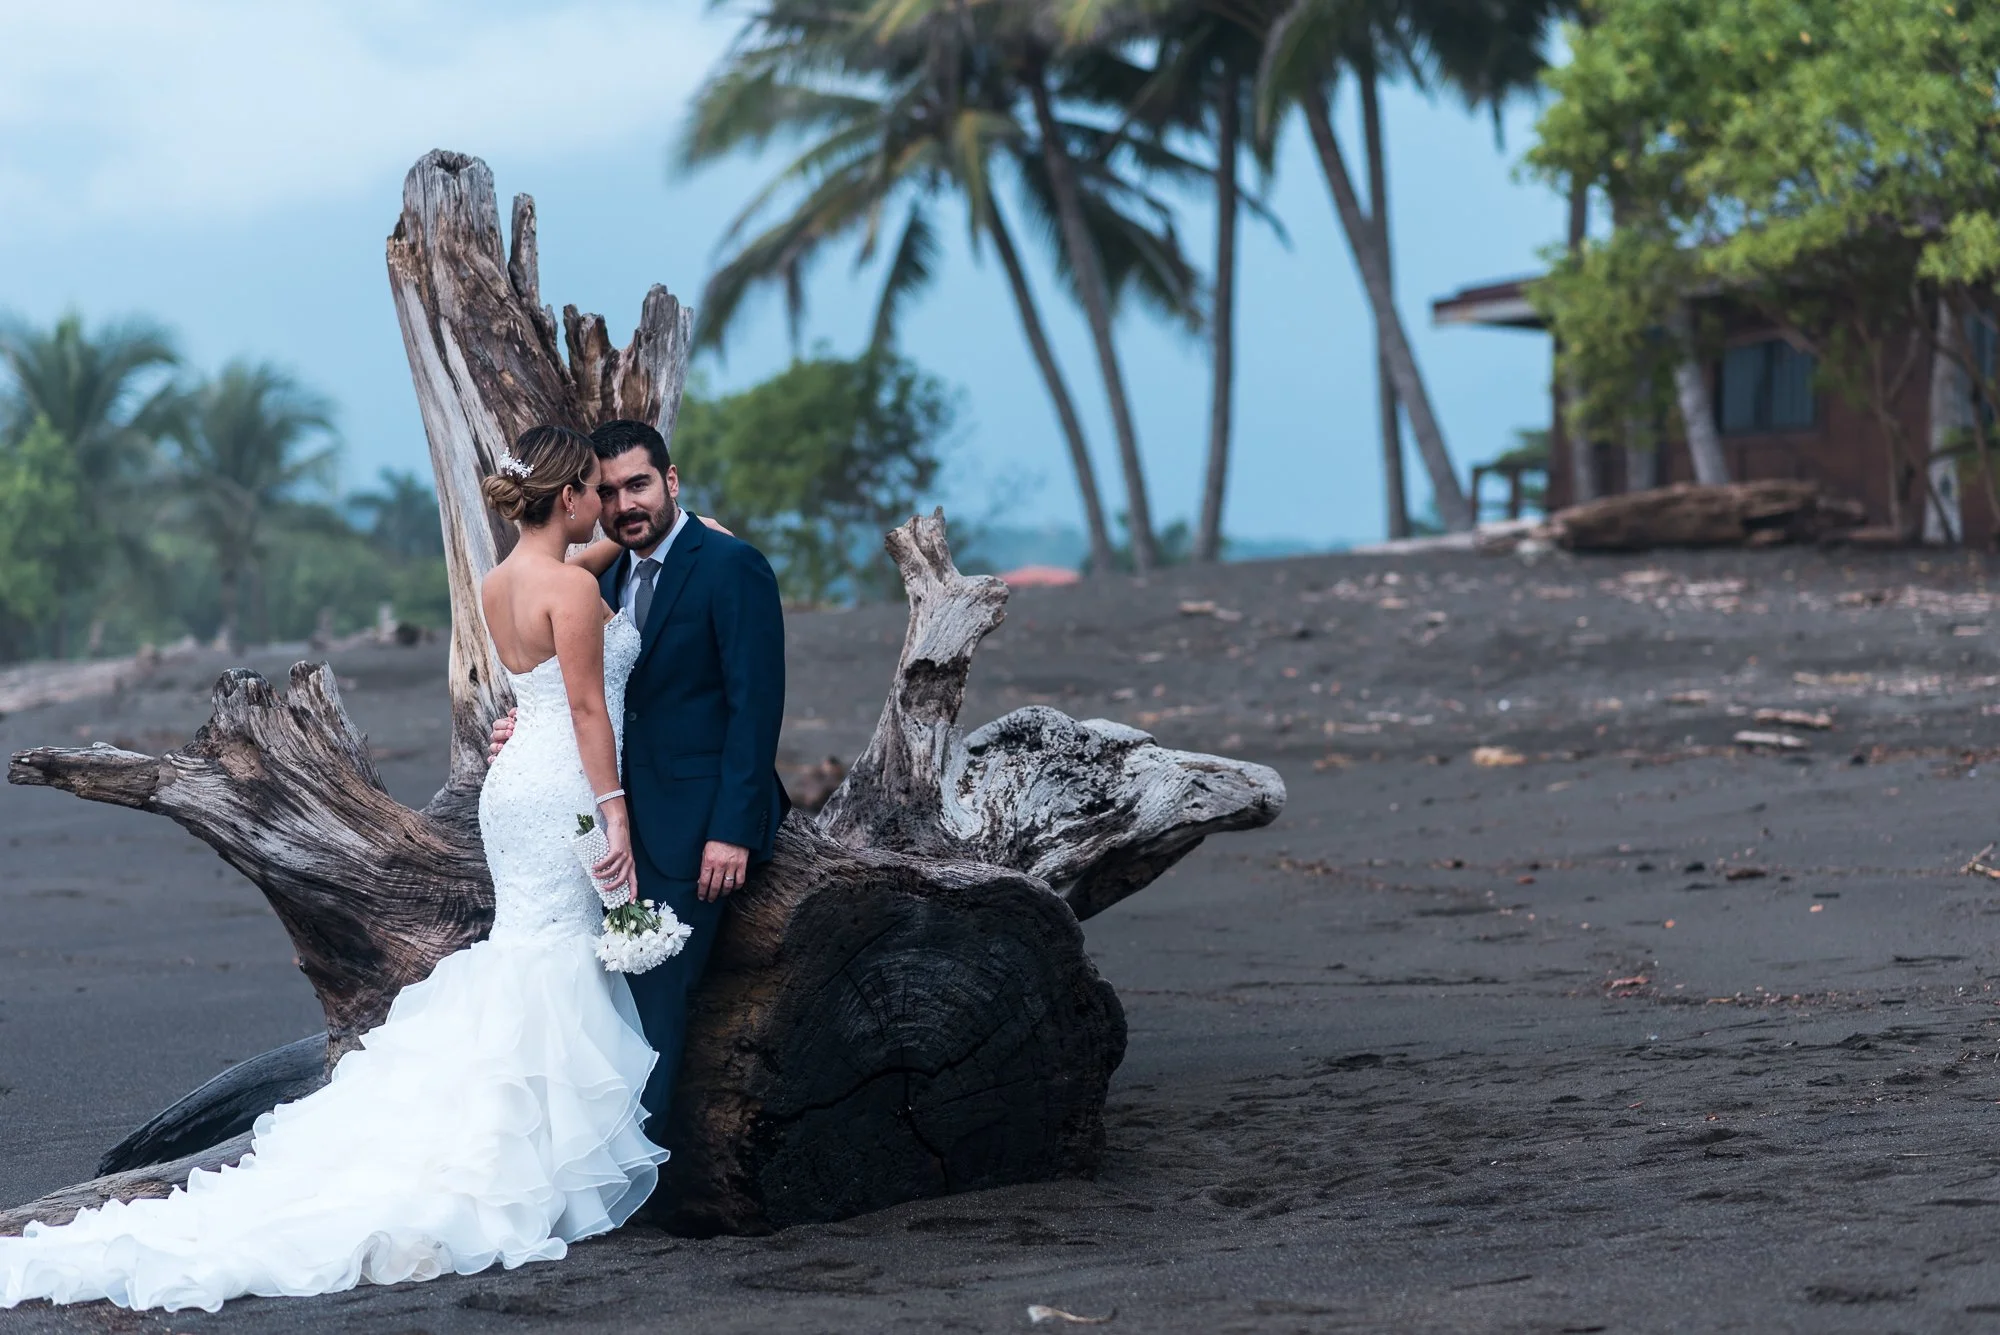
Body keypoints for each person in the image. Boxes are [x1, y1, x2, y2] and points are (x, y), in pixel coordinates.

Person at [0, 426, 668, 1312]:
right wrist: (614, 810)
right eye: (591, 487)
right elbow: (586, 708)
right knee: (552, 960)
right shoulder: (576, 590)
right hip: (563, 792)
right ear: (571, 496)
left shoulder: (500, 581)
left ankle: (526, 1141)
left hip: (516, 789)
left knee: (529, 952)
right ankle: (532, 1159)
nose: (602, 503)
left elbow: (536, 678)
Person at [488, 418, 789, 1147]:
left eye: (640, 485)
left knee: (655, 999)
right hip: (603, 817)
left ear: (672, 481)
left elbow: (757, 706)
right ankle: (587, 1153)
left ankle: (638, 1172)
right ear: (580, 495)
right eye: (609, 489)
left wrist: (733, 828)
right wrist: (526, 722)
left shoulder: (730, 567)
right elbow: (579, 690)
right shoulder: (604, 572)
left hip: (694, 821)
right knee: (596, 994)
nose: (625, 503)